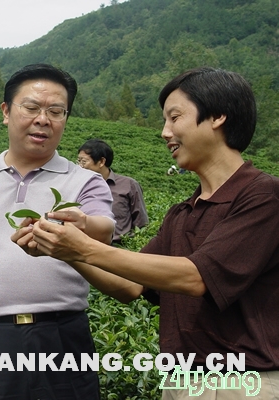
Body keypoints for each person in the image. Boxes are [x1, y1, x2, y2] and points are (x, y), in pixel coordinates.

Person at [19, 67, 279, 399]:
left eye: (174, 117)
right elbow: (131, 286)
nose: (164, 132)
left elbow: (197, 278)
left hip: (242, 383)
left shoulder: (263, 197)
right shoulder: (182, 214)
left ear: (217, 116)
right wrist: (62, 247)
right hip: (182, 381)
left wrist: (83, 248)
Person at [0, 63, 115, 399]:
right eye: (31, 107)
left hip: (62, 336)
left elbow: (103, 232)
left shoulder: (86, 182)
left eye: (56, 111)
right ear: (6, 112)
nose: (43, 119)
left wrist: (83, 224)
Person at [78, 138, 149, 244]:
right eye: (78, 161)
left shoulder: (128, 185)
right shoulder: (78, 185)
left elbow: (141, 223)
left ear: (101, 162)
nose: (80, 166)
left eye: (84, 162)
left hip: (118, 247)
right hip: (84, 246)